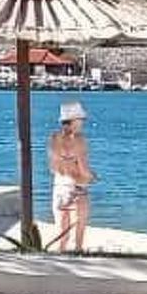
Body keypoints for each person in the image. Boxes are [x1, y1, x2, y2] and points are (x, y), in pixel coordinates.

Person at [48, 101, 96, 252]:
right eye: (80, 119)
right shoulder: (79, 140)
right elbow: (83, 168)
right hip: (77, 188)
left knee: (61, 234)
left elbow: (53, 167)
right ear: (73, 120)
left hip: (59, 187)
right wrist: (91, 177)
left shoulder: (54, 138)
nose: (82, 122)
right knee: (78, 236)